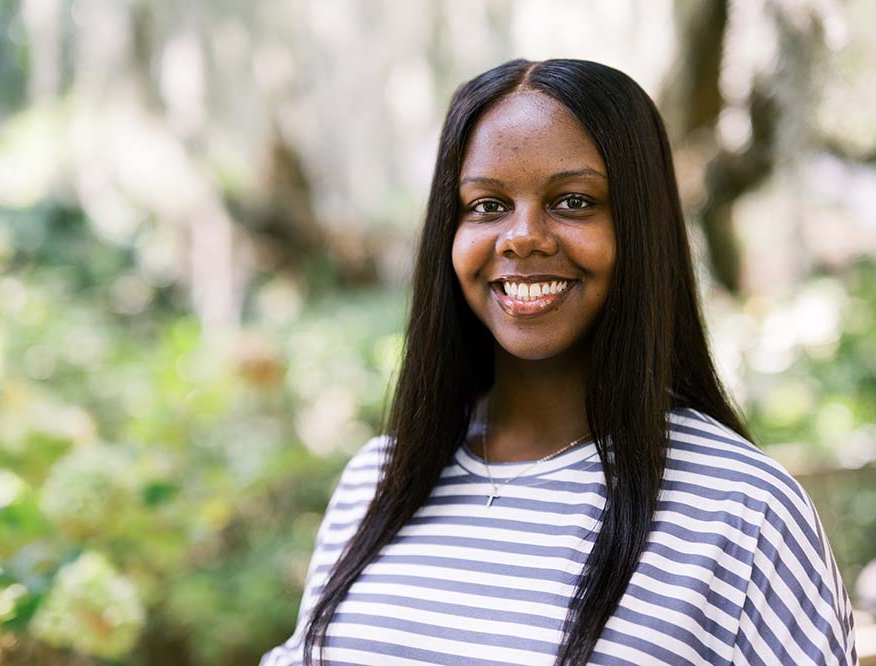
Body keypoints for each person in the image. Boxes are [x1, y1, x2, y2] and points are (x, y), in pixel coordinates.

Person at [260, 59, 858, 666]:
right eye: (487, 205)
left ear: (640, 227)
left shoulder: (745, 511)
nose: (522, 237)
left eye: (573, 201)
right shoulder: (377, 482)